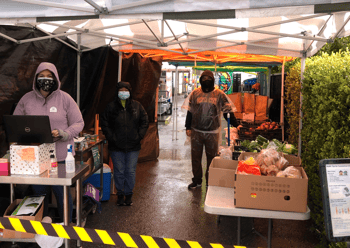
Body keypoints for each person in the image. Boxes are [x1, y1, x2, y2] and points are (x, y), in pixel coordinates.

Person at [13, 62, 84, 222]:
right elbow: (16, 123)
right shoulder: (27, 99)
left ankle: (66, 228)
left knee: (62, 193)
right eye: (42, 76)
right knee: (39, 195)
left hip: (61, 157)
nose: (46, 79)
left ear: (56, 79)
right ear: (36, 78)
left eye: (49, 76)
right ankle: (41, 229)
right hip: (36, 158)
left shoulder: (65, 98)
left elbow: (79, 122)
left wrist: (64, 134)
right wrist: (27, 136)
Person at [182, 70, 241, 189]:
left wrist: (235, 124)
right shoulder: (195, 94)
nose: (206, 82)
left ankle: (210, 180)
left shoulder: (219, 94)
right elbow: (190, 111)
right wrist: (188, 127)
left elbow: (227, 111)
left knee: (212, 158)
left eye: (208, 80)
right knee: (196, 157)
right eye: (204, 80)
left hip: (212, 132)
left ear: (213, 81)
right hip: (196, 131)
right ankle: (197, 180)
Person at [101, 81, 149, 206]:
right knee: (119, 171)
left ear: (130, 91)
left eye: (126, 90)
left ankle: (129, 194)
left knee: (131, 171)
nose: (123, 93)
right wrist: (111, 137)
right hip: (116, 147)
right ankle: (120, 194)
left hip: (133, 146)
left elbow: (145, 121)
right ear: (117, 92)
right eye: (121, 90)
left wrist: (139, 136)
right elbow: (104, 123)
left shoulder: (137, 106)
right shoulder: (110, 107)